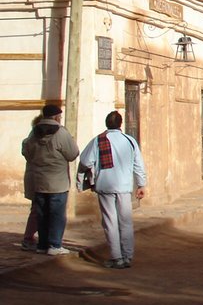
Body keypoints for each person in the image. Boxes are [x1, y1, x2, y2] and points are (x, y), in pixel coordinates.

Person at [78, 111, 147, 269]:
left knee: (110, 222)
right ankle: (127, 256)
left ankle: (116, 257)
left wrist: (86, 177)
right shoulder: (129, 141)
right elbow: (138, 165)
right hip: (124, 187)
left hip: (105, 185)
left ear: (106, 123)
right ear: (120, 124)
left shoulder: (98, 140)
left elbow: (85, 160)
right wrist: (141, 184)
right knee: (126, 221)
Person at [21, 104, 79, 256]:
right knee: (57, 215)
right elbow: (73, 154)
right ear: (56, 116)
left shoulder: (34, 133)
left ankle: (42, 244)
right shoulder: (61, 133)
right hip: (58, 182)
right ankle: (54, 244)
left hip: (39, 181)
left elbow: (26, 151)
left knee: (41, 214)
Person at [19, 114, 42, 251]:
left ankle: (31, 237)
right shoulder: (34, 139)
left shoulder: (29, 139)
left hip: (36, 177)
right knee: (37, 209)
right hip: (40, 178)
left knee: (37, 208)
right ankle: (29, 238)